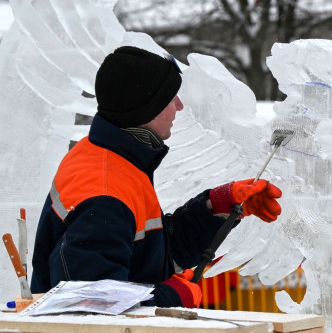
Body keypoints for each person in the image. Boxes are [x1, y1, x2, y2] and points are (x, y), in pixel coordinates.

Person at [31, 46, 282, 309]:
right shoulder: (105, 196)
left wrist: (214, 208)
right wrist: (171, 297)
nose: (179, 106)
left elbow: (149, 257)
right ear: (145, 109)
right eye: (171, 98)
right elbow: (89, 306)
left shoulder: (111, 158)